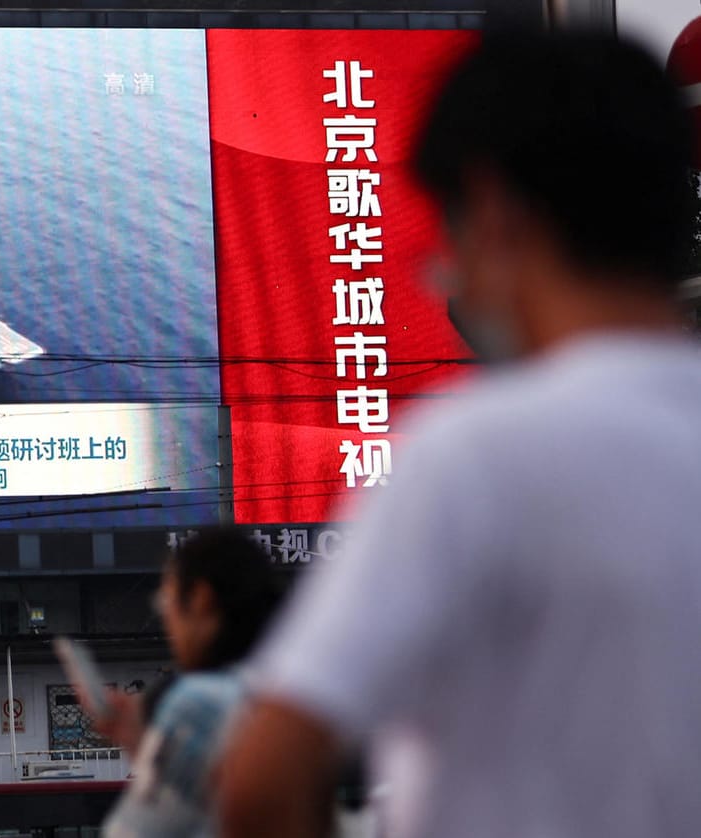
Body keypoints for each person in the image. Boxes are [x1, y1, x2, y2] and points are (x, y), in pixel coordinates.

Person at [214, 31, 701, 838]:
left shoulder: (477, 454)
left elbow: (262, 778)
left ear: (495, 210)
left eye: (447, 232)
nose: (449, 272)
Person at [88, 527, 286, 837]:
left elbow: (131, 832)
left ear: (201, 600)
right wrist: (145, 744)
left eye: (166, 601)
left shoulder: (199, 701)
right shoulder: (285, 694)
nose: (167, 620)